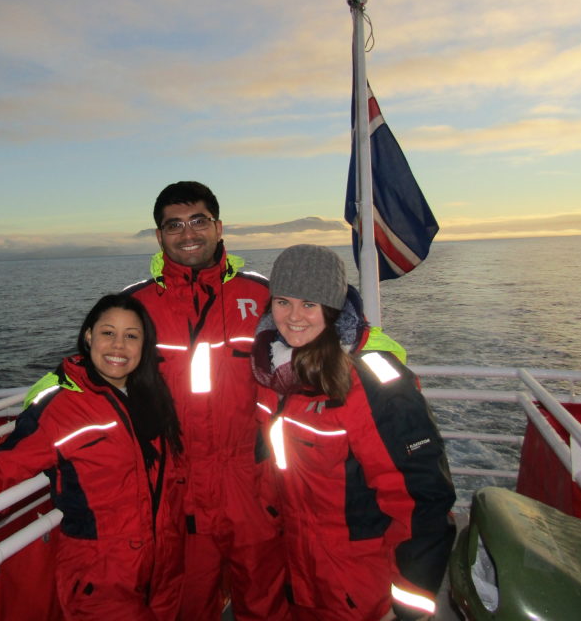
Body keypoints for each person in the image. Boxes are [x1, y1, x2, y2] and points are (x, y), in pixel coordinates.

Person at [0, 294, 185, 621]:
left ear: (144, 344)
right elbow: (6, 462)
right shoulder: (62, 408)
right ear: (89, 336)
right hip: (103, 574)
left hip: (165, 566)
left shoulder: (152, 397)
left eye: (131, 336)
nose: (118, 345)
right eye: (108, 333)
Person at [252, 245, 456, 621]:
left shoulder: (372, 383)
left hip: (361, 589)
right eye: (282, 301)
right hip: (300, 574)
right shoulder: (275, 372)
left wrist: (406, 607)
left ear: (331, 308)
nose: (293, 317)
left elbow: (422, 498)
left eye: (309, 304)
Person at [124, 181, 290, 621]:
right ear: (159, 236)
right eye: (174, 225)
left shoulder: (263, 296)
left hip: (250, 483)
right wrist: (38, 405)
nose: (188, 233)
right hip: (177, 489)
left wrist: (385, 365)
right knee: (186, 606)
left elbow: (334, 337)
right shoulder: (133, 307)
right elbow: (85, 372)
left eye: (198, 221)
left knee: (267, 602)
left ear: (219, 227)